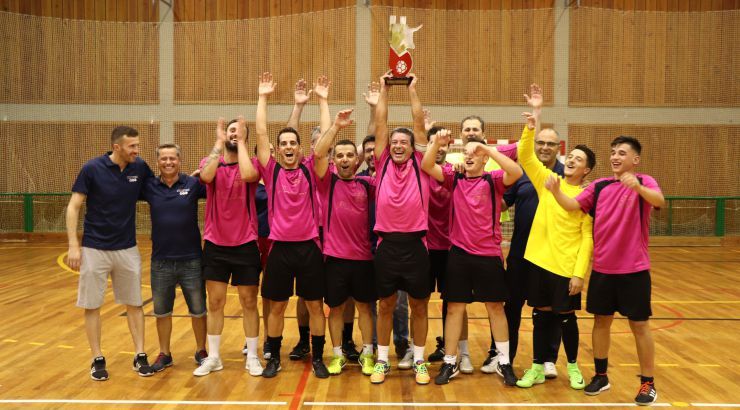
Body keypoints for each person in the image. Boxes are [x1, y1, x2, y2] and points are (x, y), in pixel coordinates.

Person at [546, 135, 664, 406]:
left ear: (635, 160)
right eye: (613, 152)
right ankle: (601, 375)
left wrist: (637, 187)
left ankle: (648, 382)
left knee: (640, 325)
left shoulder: (645, 181)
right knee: (601, 322)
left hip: (634, 270)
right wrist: (555, 191)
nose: (615, 157)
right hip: (602, 269)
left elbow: (660, 202)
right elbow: (573, 205)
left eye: (622, 153)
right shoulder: (599, 186)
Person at [421, 129, 522, 386]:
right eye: (465, 153)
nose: (469, 156)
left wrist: (487, 149)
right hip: (459, 254)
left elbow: (517, 172)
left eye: (474, 153)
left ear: (483, 159)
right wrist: (437, 143)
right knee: (454, 308)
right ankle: (450, 362)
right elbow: (426, 164)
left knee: (495, 308)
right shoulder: (453, 179)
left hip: (488, 255)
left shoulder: (494, 179)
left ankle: (503, 361)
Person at [512, 84, 594, 390]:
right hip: (538, 263)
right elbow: (525, 155)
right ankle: (535, 367)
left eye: (578, 159)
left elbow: (587, 238)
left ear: (587, 170)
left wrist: (579, 273)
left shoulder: (587, 195)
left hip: (566, 268)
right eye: (569, 155)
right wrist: (533, 119)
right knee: (540, 316)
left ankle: (572, 366)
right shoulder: (549, 179)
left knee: (566, 318)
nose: (571, 160)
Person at [256, 72, 330, 379]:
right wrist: (262, 97)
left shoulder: (313, 168)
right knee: (276, 307)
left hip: (309, 248)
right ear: (277, 149)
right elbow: (261, 133)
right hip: (280, 249)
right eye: (283, 143)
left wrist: (323, 101)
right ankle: (272, 355)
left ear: (300, 149)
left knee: (315, 306)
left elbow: (325, 138)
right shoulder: (270, 170)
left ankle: (318, 357)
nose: (288, 146)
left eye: (293, 143)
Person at [66, 125, 155, 380]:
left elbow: (159, 190)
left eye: (138, 145)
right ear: (117, 147)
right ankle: (97, 358)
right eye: (132, 146)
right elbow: (74, 207)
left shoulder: (139, 168)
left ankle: (140, 355)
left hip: (127, 248)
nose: (137, 150)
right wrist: (74, 245)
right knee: (92, 305)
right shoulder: (92, 169)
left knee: (135, 303)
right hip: (95, 248)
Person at [369, 71, 432, 385]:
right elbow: (380, 124)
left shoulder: (422, 164)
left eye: (403, 142)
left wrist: (411, 89)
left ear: (412, 147)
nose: (396, 145)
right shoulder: (380, 164)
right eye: (393, 142)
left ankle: (419, 360)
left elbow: (418, 123)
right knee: (386, 305)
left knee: (420, 306)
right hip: (387, 246)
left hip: (416, 245)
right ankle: (382, 361)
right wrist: (383, 90)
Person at [192, 116, 263, 377]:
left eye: (239, 131)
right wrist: (219, 142)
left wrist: (242, 141)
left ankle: (253, 356)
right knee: (215, 302)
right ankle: (213, 357)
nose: (234, 134)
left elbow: (247, 175)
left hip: (245, 243)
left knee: (248, 302)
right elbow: (206, 176)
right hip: (215, 243)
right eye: (231, 130)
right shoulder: (210, 162)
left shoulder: (252, 163)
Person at [314, 109, 378, 376]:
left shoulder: (368, 184)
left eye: (349, 155)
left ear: (357, 159)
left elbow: (378, 150)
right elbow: (318, 153)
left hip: (364, 258)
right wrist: (336, 128)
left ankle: (367, 354)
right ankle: (337, 354)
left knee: (365, 307)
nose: (344, 159)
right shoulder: (325, 182)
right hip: (335, 258)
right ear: (334, 159)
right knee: (336, 308)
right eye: (339, 155)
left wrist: (374, 110)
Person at [141, 143, 208, 373]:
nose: (168, 162)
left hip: (191, 260)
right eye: (163, 159)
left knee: (198, 310)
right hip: (161, 262)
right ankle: (165, 354)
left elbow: (218, 186)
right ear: (157, 162)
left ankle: (201, 350)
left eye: (172, 158)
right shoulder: (148, 186)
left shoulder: (193, 184)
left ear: (180, 160)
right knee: (162, 312)